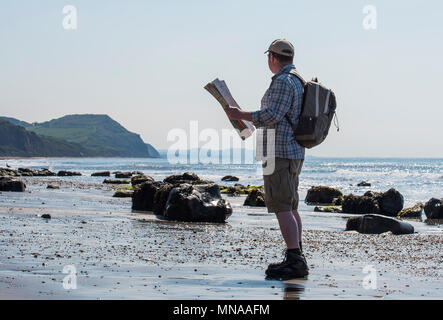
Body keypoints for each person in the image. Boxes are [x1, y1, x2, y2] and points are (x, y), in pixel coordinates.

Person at [225, 39, 308, 279]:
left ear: (272, 57)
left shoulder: (283, 81)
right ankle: (297, 255)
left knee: (282, 206)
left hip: (280, 151)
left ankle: (295, 259)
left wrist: (238, 114)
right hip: (293, 150)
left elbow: (272, 115)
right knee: (290, 205)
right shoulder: (298, 81)